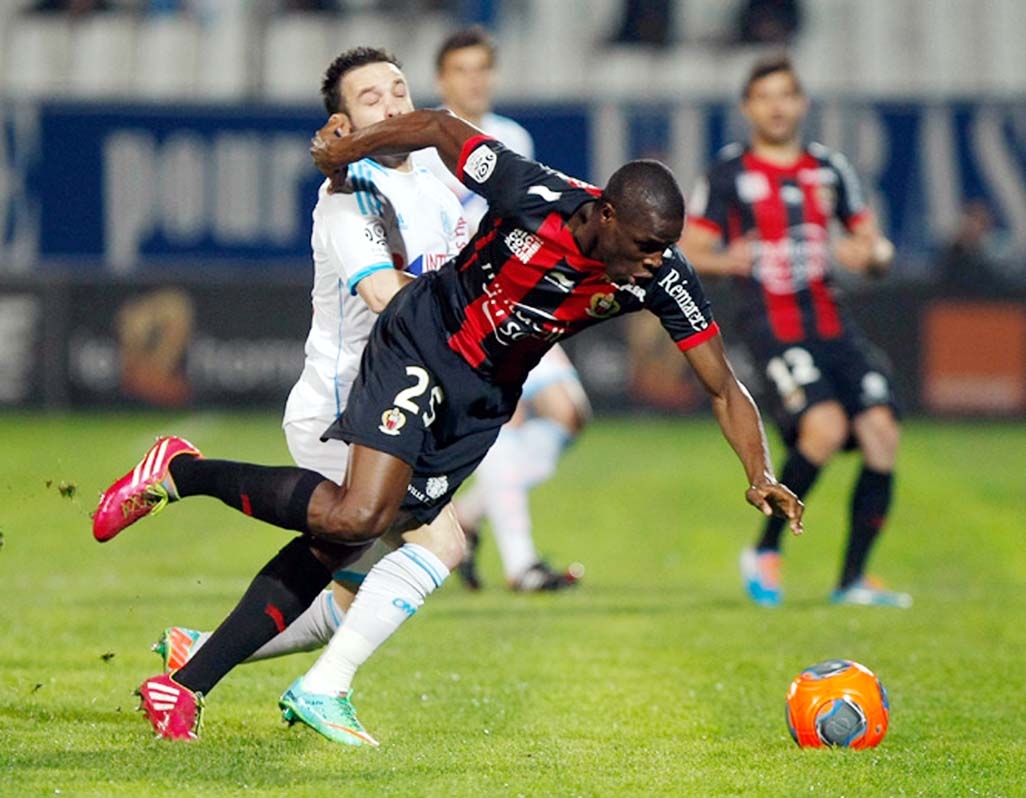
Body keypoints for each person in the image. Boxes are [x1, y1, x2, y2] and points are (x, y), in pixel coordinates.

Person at [92, 106, 805, 743]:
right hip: (423, 339)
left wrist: (758, 472)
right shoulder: (536, 194)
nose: (656, 259)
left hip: (481, 401)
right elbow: (437, 127)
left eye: (665, 247)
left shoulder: (658, 274)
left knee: (342, 540)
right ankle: (182, 480)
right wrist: (352, 152)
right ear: (608, 215)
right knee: (363, 517)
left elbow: (722, 384)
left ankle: (184, 682)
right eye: (647, 243)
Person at [111, 46, 471, 745]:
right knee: (439, 543)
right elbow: (385, 297)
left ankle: (188, 670)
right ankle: (323, 689)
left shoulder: (432, 178)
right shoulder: (349, 195)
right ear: (343, 123)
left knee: (341, 585)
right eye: (374, 99)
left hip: (406, 406)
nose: (396, 104)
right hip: (347, 412)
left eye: (400, 89)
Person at [679, 54, 909, 609]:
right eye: (765, 96)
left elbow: (873, 243)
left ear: (801, 103)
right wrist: (726, 259)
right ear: (748, 108)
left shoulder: (828, 169)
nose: (777, 107)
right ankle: (765, 551)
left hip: (832, 321)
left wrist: (872, 254)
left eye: (786, 95)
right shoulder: (729, 174)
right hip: (773, 326)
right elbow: (690, 248)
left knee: (882, 434)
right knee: (824, 428)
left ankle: (852, 580)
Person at [415, 24, 588, 591]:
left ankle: (466, 518)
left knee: (569, 412)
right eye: (462, 70)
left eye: (482, 68)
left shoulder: (512, 137)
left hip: (521, 293)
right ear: (442, 79)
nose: (475, 80)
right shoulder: (426, 143)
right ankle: (522, 566)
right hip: (469, 305)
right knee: (504, 419)